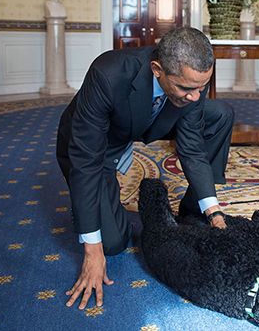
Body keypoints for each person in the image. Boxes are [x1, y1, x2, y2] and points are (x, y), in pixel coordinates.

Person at [56, 27, 234, 310]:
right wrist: (91, 249)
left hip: (149, 118)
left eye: (203, 87)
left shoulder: (191, 87)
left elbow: (192, 148)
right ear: (156, 69)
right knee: (112, 244)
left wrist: (214, 213)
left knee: (221, 113)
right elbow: (85, 161)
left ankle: (192, 211)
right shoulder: (108, 74)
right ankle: (89, 208)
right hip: (96, 144)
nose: (196, 97)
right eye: (187, 88)